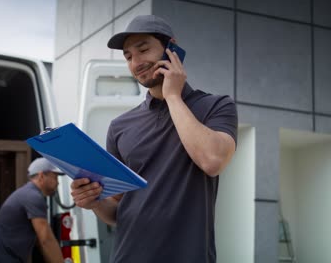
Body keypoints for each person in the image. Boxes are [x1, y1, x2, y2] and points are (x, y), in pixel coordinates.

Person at [70, 15, 238, 263]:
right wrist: (94, 201)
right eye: (128, 56)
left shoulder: (216, 106)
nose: (136, 62)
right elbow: (117, 211)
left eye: (144, 49)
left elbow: (212, 161)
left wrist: (173, 97)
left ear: (171, 48)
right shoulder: (119, 127)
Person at [0, 158, 65, 263]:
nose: (57, 183)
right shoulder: (32, 197)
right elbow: (46, 239)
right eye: (55, 177)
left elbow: (40, 240)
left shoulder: (27, 193)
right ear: (42, 176)